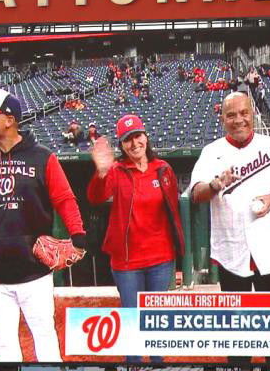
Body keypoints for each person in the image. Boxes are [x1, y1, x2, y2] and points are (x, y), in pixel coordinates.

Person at [0, 88, 88, 363]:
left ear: (9, 119)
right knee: (4, 347)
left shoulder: (43, 157)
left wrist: (78, 235)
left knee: (45, 339)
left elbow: (64, 198)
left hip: (35, 273)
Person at [188, 92, 270, 367]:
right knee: (236, 324)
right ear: (222, 119)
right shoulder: (211, 152)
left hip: (267, 246)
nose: (239, 120)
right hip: (231, 247)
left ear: (252, 113)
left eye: (244, 113)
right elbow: (195, 194)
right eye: (231, 115)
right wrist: (215, 185)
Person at [87, 114, 185, 364]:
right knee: (132, 319)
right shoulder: (116, 171)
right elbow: (95, 197)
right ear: (121, 145)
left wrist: (180, 258)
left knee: (155, 320)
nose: (134, 143)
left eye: (137, 136)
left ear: (146, 137)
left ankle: (157, 362)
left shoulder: (163, 169)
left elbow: (174, 211)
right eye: (127, 140)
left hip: (161, 258)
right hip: (126, 261)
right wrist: (100, 172)